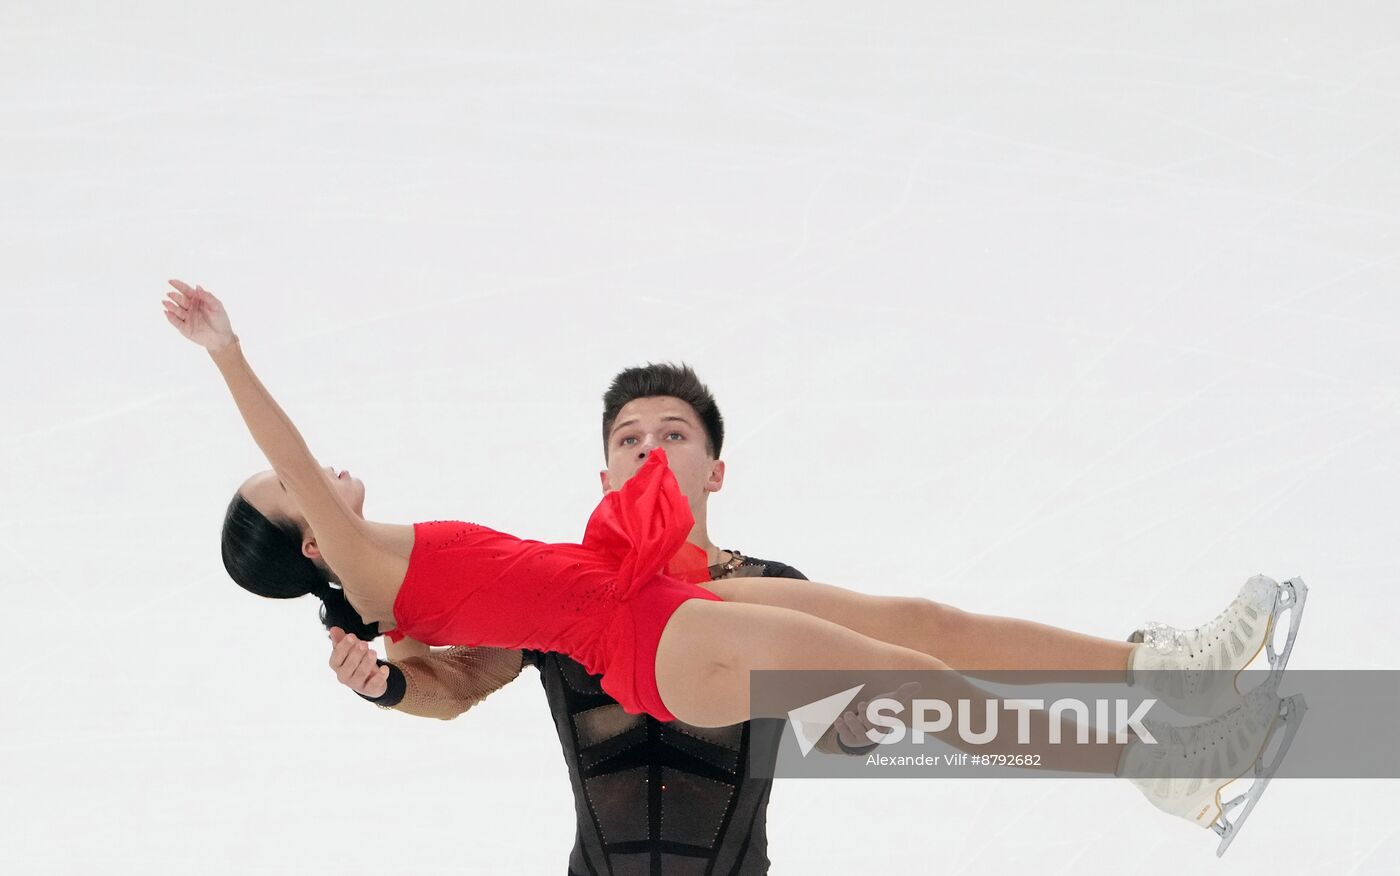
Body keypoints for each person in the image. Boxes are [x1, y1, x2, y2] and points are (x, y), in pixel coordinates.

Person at [166, 280, 1306, 851]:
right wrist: (230, 354)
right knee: (897, 679)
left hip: (650, 595)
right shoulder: (363, 568)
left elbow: (440, 681)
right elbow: (300, 463)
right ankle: (1157, 769)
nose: (312, 477)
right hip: (644, 643)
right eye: (291, 494)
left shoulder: (390, 583)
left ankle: (1164, 666)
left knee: (917, 621)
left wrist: (394, 683)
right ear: (306, 538)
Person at [330, 360, 828, 875]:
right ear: (607, 478)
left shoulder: (773, 589)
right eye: (628, 438)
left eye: (674, 434)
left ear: (715, 472)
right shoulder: (560, 588)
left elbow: (855, 726)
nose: (649, 447)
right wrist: (383, 683)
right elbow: (459, 683)